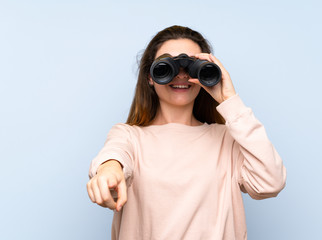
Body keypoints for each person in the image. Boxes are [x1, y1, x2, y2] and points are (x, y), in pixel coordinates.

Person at [87, 25, 286, 240]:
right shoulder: (129, 136)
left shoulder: (227, 140)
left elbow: (270, 183)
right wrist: (109, 169)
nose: (181, 75)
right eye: (167, 66)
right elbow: (116, 154)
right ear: (150, 77)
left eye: (192, 66)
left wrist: (229, 100)